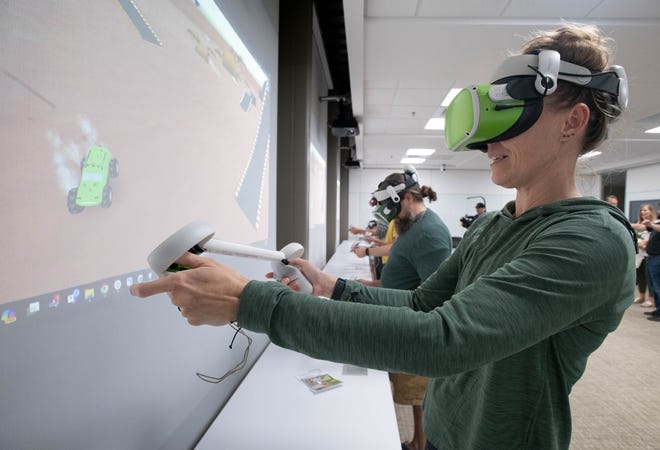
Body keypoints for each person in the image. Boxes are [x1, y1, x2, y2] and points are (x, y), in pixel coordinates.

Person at [131, 24, 636, 449]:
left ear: (573, 121)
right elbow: (421, 305)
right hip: (444, 427)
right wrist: (333, 290)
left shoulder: (591, 240)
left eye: (515, 113)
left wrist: (251, 303)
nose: (488, 140)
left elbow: (444, 339)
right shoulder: (491, 224)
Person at [354, 169, 452, 450]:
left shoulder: (430, 234)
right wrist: (373, 284)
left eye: (394, 209)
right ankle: (415, 441)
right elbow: (406, 275)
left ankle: (419, 444)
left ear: (408, 197)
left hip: (414, 332)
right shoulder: (413, 227)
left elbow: (433, 297)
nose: (393, 217)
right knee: (410, 396)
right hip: (398, 320)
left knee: (419, 397)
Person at [631, 204, 655, 306]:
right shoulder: (638, 223)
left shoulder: (653, 224)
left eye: (645, 210)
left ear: (651, 211)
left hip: (648, 254)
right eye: (641, 210)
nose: (643, 212)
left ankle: (651, 299)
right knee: (640, 276)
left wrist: (645, 243)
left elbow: (648, 232)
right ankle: (641, 296)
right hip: (638, 254)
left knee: (649, 277)